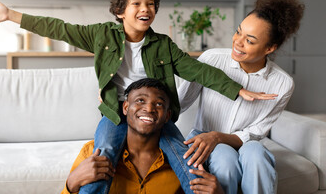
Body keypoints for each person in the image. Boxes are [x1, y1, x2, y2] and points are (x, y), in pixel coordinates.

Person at [0, 0, 276, 194]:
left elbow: (197, 69)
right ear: (121, 11)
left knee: (190, 164)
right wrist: (10, 15)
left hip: (154, 117)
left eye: (150, 3)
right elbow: (60, 28)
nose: (145, 9)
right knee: (103, 157)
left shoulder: (163, 45)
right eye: (136, 3)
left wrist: (235, 89)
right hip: (116, 114)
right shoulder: (102, 36)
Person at [178, 0, 305, 194]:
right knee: (225, 160)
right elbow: (179, 102)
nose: (238, 42)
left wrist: (219, 136)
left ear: (270, 48)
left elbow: (255, 132)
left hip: (245, 143)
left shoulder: (283, 83)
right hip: (204, 137)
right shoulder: (212, 59)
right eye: (238, 32)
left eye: (250, 40)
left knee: (256, 154)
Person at [61, 78, 224, 194]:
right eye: (140, 100)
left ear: (167, 116)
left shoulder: (182, 163)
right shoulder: (92, 152)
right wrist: (71, 183)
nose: (149, 108)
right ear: (125, 108)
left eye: (159, 104)